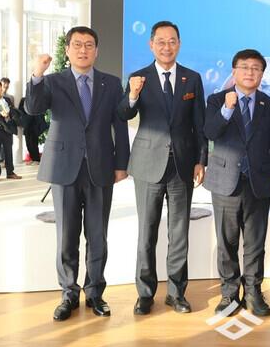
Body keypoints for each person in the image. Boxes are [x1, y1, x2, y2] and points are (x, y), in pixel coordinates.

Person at [26, 26, 130, 322]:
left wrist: (121, 163)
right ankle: (68, 293)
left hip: (101, 167)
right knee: (67, 235)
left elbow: (120, 124)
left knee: (98, 235)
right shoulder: (52, 81)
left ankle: (95, 292)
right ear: (67, 50)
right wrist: (37, 74)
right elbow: (33, 108)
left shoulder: (111, 83)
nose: (83, 50)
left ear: (97, 51)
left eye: (89, 45)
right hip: (64, 168)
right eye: (77, 45)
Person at [118, 21, 208, 315]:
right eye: (161, 41)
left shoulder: (192, 79)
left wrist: (201, 159)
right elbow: (124, 113)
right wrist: (132, 95)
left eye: (172, 41)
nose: (166, 47)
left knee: (179, 233)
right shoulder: (139, 77)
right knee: (147, 232)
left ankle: (176, 293)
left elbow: (199, 123)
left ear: (178, 44)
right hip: (148, 165)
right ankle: (145, 294)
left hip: (182, 165)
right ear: (151, 44)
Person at [204, 49, 270, 317]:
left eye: (256, 68)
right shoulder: (217, 100)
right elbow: (210, 132)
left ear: (262, 74)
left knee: (255, 242)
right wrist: (227, 109)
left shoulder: (269, 104)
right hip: (225, 182)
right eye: (245, 67)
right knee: (226, 242)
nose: (250, 72)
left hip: (259, 182)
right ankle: (229, 294)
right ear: (234, 71)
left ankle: (253, 292)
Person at [18, 95, 47, 164]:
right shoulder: (23, 100)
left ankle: (36, 159)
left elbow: (40, 112)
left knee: (34, 142)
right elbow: (20, 111)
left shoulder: (37, 100)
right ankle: (33, 158)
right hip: (27, 124)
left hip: (35, 124)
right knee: (28, 143)